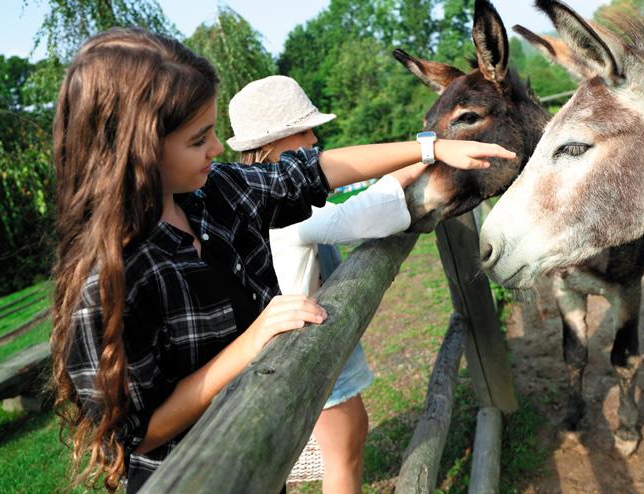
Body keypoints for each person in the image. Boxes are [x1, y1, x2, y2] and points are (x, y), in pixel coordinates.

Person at [50, 27, 515, 494]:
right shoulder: (107, 277)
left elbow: (308, 174)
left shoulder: (211, 195)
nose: (216, 149)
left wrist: (430, 148)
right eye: (198, 140)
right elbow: (136, 434)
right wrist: (253, 343)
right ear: (136, 149)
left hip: (258, 452)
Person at [227, 76, 427, 493]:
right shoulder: (274, 205)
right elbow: (348, 220)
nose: (314, 137)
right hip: (307, 343)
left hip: (300, 340)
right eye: (303, 130)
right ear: (272, 143)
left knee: (347, 440)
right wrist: (409, 171)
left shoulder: (248, 199)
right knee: (344, 450)